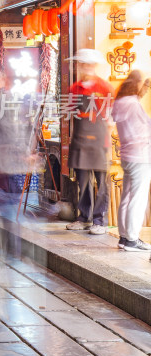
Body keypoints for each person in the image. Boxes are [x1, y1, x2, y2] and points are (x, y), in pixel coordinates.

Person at [66, 49, 114, 235]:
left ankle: (100, 220)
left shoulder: (105, 88)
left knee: (102, 183)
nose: (84, 67)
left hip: (99, 142)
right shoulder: (74, 89)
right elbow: (69, 115)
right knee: (83, 181)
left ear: (94, 66)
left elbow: (111, 118)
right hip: (80, 141)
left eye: (88, 64)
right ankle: (83, 217)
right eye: (81, 64)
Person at [112, 71, 151, 251]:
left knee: (126, 197)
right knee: (138, 197)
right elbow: (145, 127)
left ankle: (124, 237)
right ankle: (132, 239)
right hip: (140, 155)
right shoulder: (133, 105)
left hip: (127, 156)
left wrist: (145, 88)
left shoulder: (119, 103)